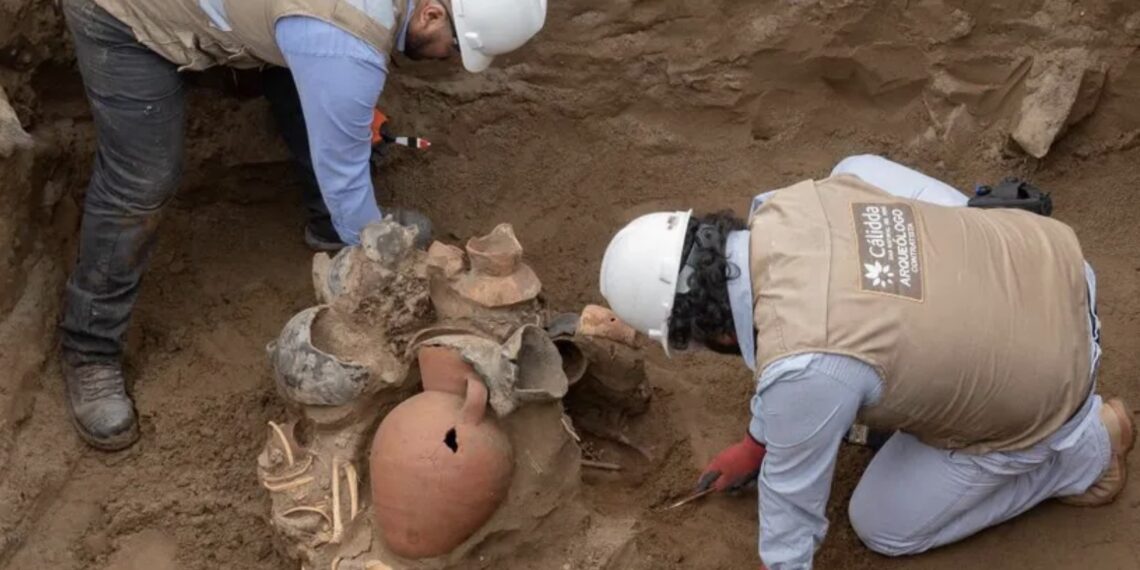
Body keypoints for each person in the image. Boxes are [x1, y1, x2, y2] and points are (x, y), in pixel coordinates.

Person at [597, 155, 1134, 569]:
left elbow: (791, 519)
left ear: (706, 332)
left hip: (1053, 380)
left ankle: (1086, 451)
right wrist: (756, 444)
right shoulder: (788, 204)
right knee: (859, 172)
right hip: (1052, 262)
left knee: (881, 525)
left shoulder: (804, 367)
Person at [58, 0, 547, 451]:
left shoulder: (344, 42)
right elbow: (346, 181)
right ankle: (90, 349)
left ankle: (325, 225)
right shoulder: (344, 45)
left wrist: (345, 111)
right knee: (141, 181)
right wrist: (393, 283)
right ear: (433, 14)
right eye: (456, 47)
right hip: (125, 14)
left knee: (314, 85)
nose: (450, 60)